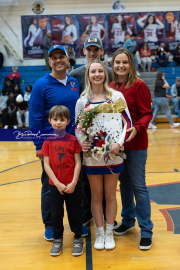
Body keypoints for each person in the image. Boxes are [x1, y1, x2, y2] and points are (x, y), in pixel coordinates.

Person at [75, 59, 132, 250]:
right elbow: (78, 128)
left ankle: (109, 232)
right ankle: (99, 234)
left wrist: (119, 143)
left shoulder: (116, 96)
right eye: (93, 72)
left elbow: (127, 124)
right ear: (88, 75)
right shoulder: (82, 100)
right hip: (92, 156)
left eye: (100, 71)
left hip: (113, 155)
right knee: (96, 196)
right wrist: (81, 140)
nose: (97, 74)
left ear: (105, 74)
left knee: (110, 195)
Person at [29, 45, 82, 241]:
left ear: (68, 60)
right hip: (50, 144)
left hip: (73, 144)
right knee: (50, 185)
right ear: (49, 62)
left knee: (76, 184)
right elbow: (34, 116)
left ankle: (77, 223)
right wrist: (37, 144)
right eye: (54, 58)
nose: (58, 60)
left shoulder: (75, 83)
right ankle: (50, 224)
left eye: (62, 57)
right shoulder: (41, 85)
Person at [70, 36, 119, 229]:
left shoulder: (110, 72)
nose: (92, 52)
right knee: (86, 177)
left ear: (101, 51)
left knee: (107, 178)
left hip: (108, 136)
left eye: (95, 49)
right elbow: (75, 107)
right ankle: (87, 213)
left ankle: (109, 217)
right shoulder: (75, 73)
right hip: (86, 137)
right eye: (89, 49)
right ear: (84, 51)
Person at [109, 48, 153, 250]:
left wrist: (138, 127)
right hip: (117, 146)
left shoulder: (139, 85)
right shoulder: (109, 87)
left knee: (138, 186)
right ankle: (128, 220)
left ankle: (146, 230)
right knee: (124, 184)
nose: (121, 66)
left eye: (125, 62)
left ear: (131, 64)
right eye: (117, 62)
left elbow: (146, 113)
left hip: (136, 145)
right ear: (113, 64)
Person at [41, 105, 83, 257]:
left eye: (62, 120)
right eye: (55, 119)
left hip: (73, 185)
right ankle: (57, 239)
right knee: (56, 213)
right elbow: (46, 165)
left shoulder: (73, 140)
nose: (58, 122)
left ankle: (78, 238)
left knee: (75, 212)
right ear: (50, 120)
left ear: (68, 121)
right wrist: (57, 183)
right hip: (55, 186)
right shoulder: (47, 141)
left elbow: (78, 163)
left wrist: (73, 182)